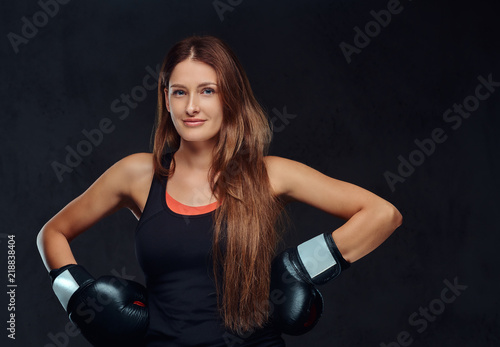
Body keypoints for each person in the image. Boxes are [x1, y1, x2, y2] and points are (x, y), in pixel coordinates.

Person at [37, 35, 402, 346]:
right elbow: (52, 233)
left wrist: (302, 267)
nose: (191, 106)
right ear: (166, 99)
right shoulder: (138, 173)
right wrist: (79, 297)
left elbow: (382, 214)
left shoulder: (269, 174)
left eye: (207, 91)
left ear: (229, 97)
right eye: (179, 92)